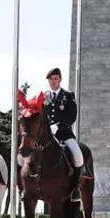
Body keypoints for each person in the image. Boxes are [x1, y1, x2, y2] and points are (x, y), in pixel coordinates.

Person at [44, 67, 84, 201]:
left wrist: (58, 126)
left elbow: (72, 116)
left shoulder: (68, 95)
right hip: (47, 136)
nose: (53, 81)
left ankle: (76, 188)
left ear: (60, 79)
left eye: (55, 78)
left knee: (78, 155)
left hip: (64, 134)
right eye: (51, 79)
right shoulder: (44, 96)